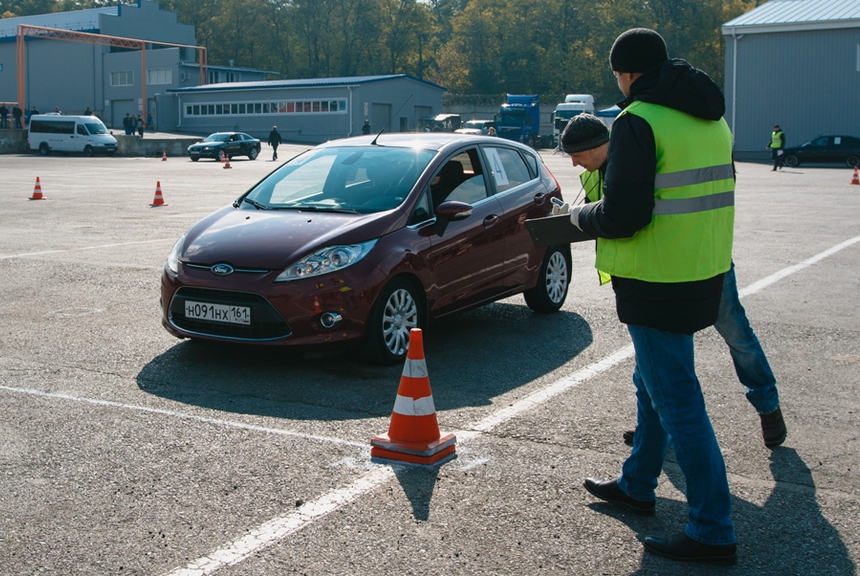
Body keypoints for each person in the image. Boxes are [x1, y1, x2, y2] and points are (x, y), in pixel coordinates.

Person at [558, 28, 738, 564]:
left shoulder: (638, 121)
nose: (617, 82)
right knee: (653, 386)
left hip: (657, 281)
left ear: (629, 73)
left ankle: (712, 529)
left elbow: (624, 215)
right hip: (703, 271)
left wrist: (576, 218)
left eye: (617, 73)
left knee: (679, 404)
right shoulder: (712, 119)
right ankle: (638, 483)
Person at [557, 113, 787, 447]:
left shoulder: (640, 151)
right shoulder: (597, 173)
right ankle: (652, 430)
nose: (575, 164)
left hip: (701, 260)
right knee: (651, 359)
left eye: (578, 154)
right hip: (653, 270)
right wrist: (572, 220)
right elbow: (606, 220)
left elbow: (636, 214)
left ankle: (768, 407)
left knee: (738, 337)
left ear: (600, 145)